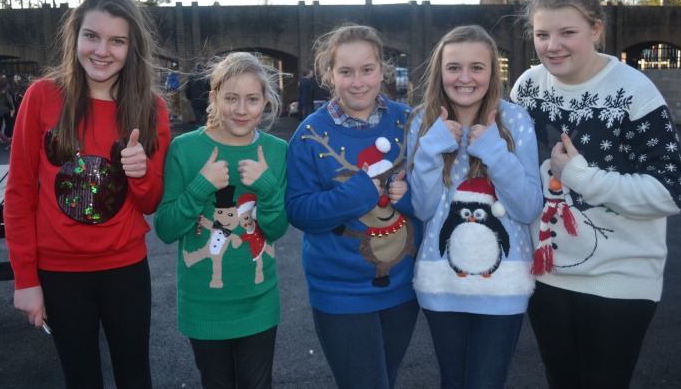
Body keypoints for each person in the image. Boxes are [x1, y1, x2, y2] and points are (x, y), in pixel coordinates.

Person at [510, 0, 681, 388]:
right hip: (546, 275)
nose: (553, 45)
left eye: (567, 32)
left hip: (620, 280)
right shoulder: (527, 88)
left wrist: (579, 177)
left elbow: (671, 190)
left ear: (596, 30)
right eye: (542, 34)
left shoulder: (633, 91)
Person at [4, 0, 171, 388]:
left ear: (132, 48)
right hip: (59, 273)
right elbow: (19, 193)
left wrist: (142, 172)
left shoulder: (151, 108)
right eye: (92, 36)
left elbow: (150, 201)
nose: (102, 51)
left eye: (117, 41)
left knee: (135, 377)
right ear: (75, 38)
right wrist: (26, 280)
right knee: (81, 378)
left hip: (125, 270)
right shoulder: (42, 97)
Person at [285, 24, 423, 389]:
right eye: (346, 71)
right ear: (330, 74)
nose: (358, 81)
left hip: (402, 286)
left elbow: (431, 195)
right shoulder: (310, 134)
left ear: (382, 71)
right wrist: (358, 194)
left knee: (386, 379)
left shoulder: (410, 122)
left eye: (367, 70)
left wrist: (405, 197)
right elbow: (299, 211)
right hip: (339, 292)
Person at [406, 25, 542, 388]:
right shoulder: (422, 120)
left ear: (492, 72)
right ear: (440, 71)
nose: (464, 78)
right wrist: (432, 149)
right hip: (441, 280)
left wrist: (495, 152)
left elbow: (528, 208)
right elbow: (422, 207)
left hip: (504, 282)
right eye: (454, 67)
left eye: (477, 67)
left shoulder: (514, 120)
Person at [154, 51, 288, 389]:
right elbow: (166, 228)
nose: (241, 110)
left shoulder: (276, 151)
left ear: (265, 102)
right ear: (214, 98)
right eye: (231, 98)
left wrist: (268, 188)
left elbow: (276, 229)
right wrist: (200, 186)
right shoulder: (184, 149)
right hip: (204, 303)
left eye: (252, 99)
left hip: (258, 299)